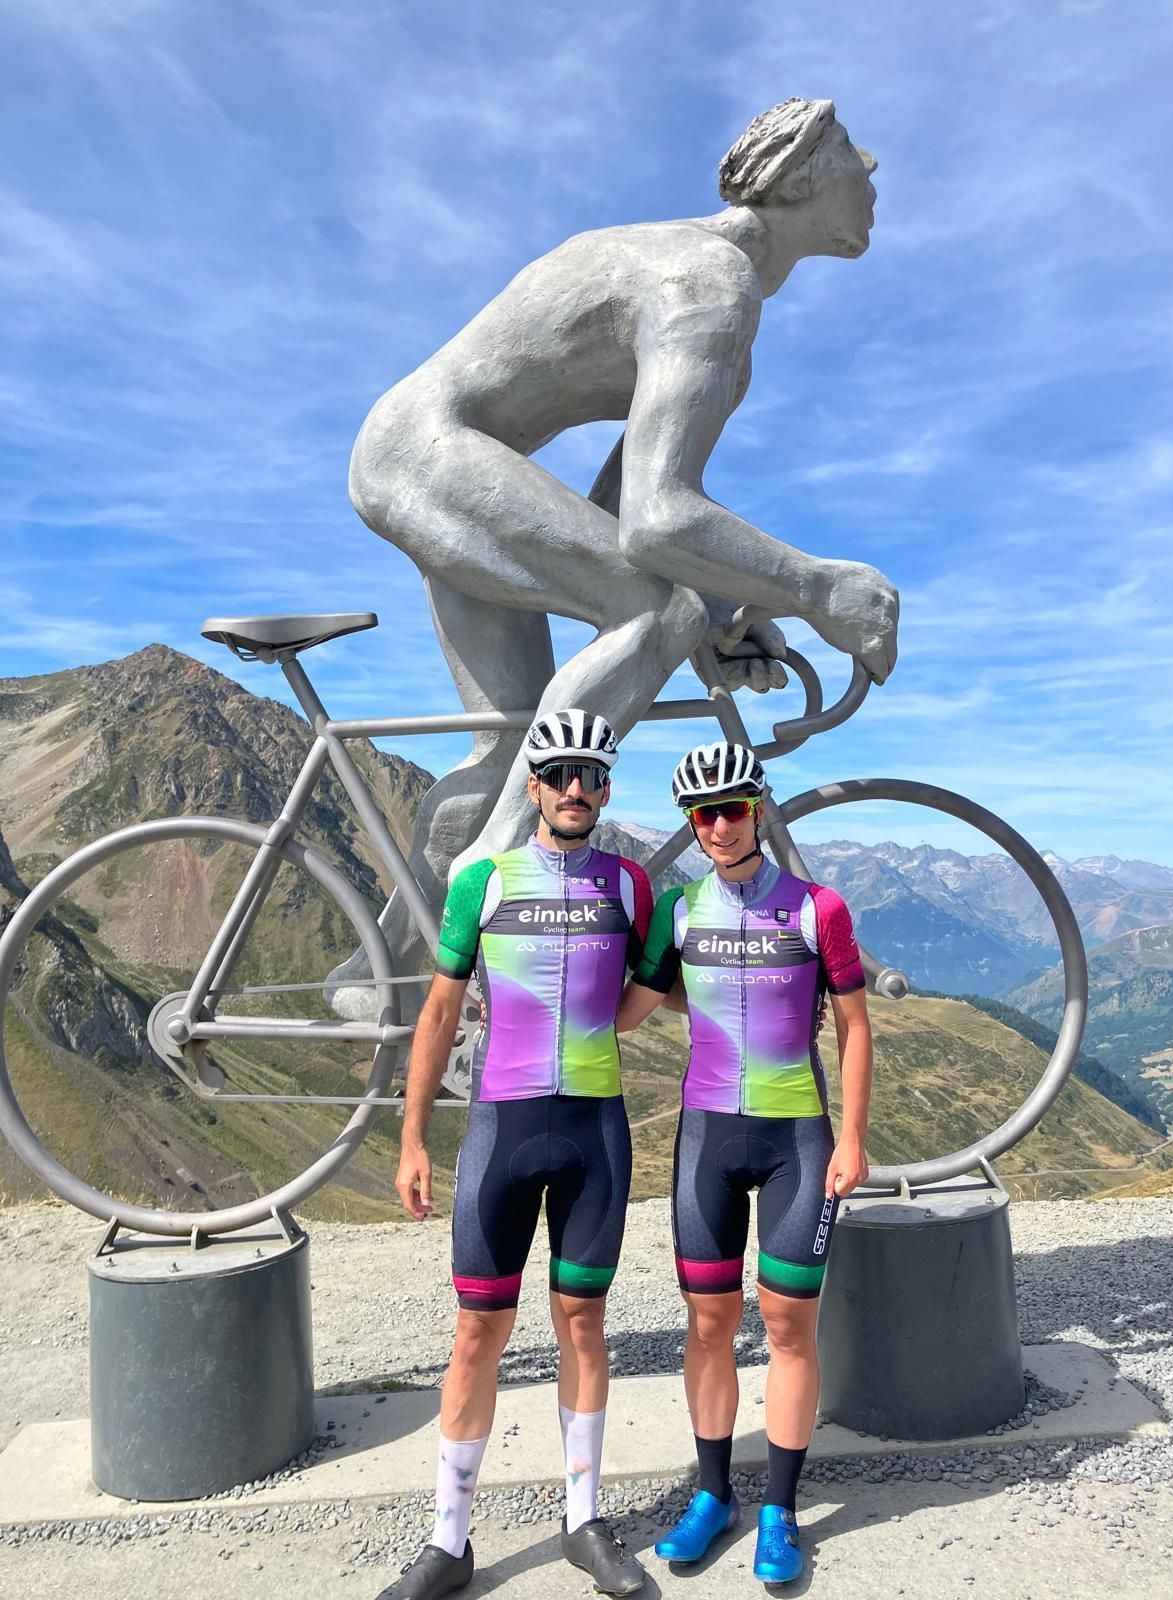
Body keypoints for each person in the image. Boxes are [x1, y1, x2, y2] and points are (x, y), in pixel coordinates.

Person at [329, 96, 898, 1015]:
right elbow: (658, 526)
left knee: (514, 742)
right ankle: (497, 883)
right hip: (429, 453)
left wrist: (724, 616)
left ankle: (375, 985)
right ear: (798, 177)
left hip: (430, 453)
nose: (870, 165)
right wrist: (817, 586)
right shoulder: (710, 283)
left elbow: (612, 517)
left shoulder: (714, 298)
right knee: (656, 612)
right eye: (847, 146)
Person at [388, 709, 652, 1600]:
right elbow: (438, 1012)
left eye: (592, 775)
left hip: (594, 1134)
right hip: (500, 1129)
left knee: (583, 1323)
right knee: (476, 1333)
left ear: (606, 790)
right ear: (534, 786)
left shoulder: (630, 886)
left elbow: (667, 980)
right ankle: (448, 1541)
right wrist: (413, 1138)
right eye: (560, 774)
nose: (576, 788)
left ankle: (583, 1521)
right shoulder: (483, 881)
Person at [616, 740, 873, 1584]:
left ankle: (781, 1511)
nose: (718, 827)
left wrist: (853, 1138)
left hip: (798, 1140)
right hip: (707, 1140)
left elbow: (855, 1029)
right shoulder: (680, 911)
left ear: (757, 808)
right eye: (702, 815)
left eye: (730, 809)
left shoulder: (817, 908)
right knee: (708, 1326)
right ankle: (713, 1495)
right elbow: (627, 1011)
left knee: (790, 1326)